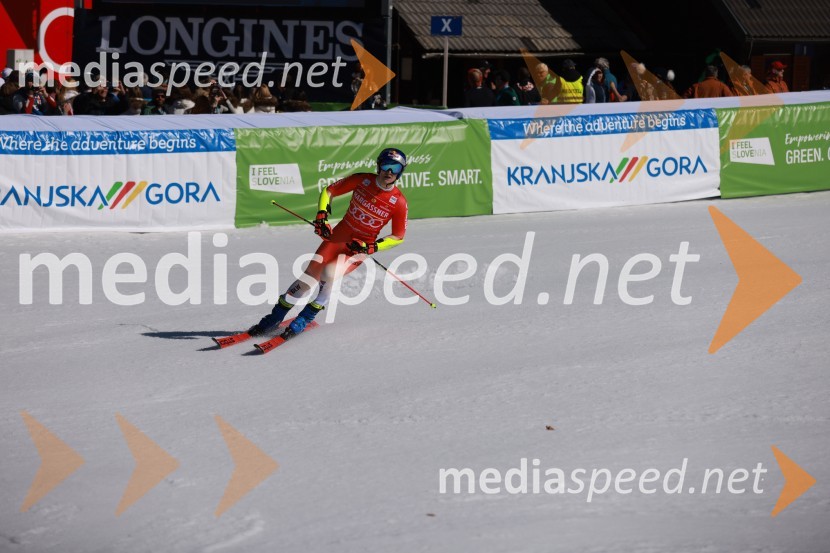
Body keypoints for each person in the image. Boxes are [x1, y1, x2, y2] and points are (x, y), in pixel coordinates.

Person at [247, 148, 410, 338]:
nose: (389, 172)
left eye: (395, 168)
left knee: (329, 272)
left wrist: (372, 247)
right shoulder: (362, 180)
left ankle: (305, 317)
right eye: (386, 165)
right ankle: (275, 317)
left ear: (400, 172)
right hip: (338, 237)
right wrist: (322, 215)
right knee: (308, 277)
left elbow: (398, 236)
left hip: (358, 248)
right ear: (378, 165)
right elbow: (329, 191)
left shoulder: (398, 201)